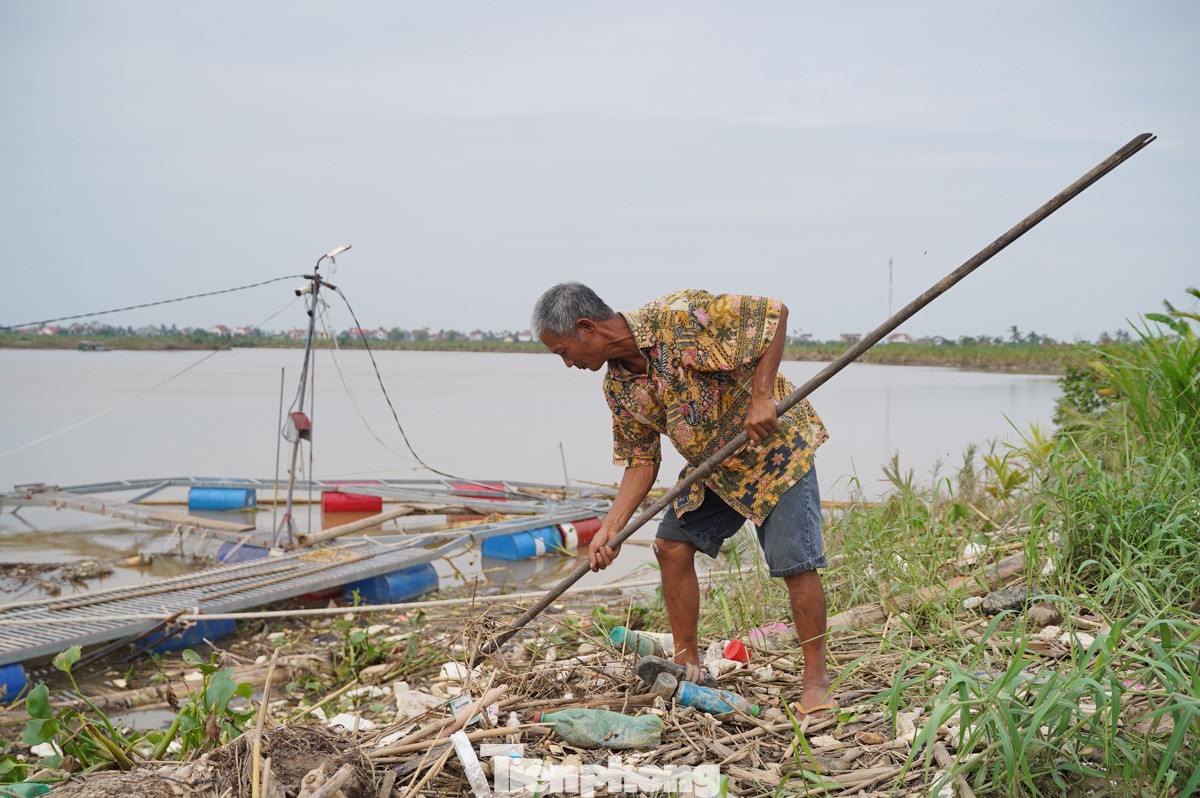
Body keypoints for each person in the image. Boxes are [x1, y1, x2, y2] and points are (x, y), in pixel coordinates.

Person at [531, 282, 835, 717]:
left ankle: (816, 682)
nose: (567, 363)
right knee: (671, 545)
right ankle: (687, 661)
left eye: (564, 351)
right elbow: (639, 460)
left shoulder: (680, 317)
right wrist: (610, 528)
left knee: (794, 562)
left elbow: (774, 315)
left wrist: (762, 395)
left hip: (773, 452)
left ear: (587, 328)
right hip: (714, 465)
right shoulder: (618, 387)